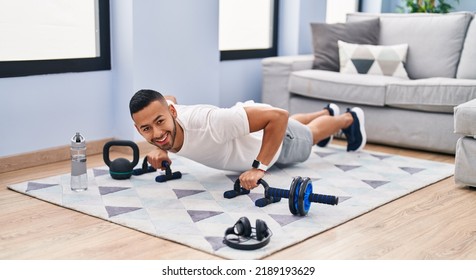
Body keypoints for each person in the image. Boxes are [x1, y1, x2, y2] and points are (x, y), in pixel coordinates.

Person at [129, 89, 366, 190]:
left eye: (160, 122)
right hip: (252, 124)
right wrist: (164, 151)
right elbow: (168, 97)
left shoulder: (211, 123)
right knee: (296, 124)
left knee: (309, 137)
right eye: (147, 128)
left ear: (172, 113)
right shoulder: (165, 110)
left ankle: (348, 118)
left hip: (272, 139)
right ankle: (326, 112)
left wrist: (259, 167)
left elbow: (278, 117)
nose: (157, 134)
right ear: (137, 128)